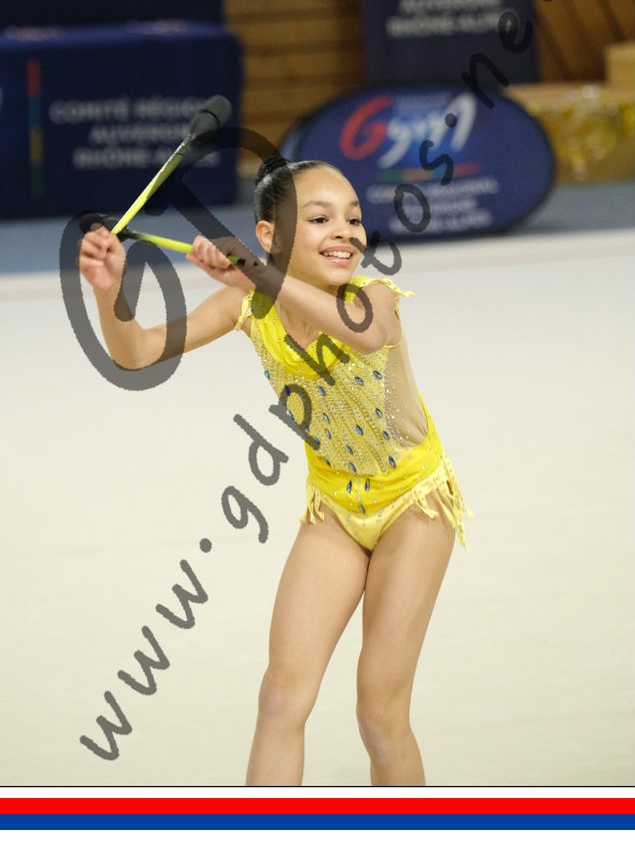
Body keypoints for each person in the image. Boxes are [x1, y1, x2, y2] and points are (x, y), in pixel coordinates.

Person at [78, 155, 473, 786]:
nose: (344, 232)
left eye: (353, 219)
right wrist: (109, 292)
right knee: (280, 699)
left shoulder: (372, 297)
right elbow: (139, 352)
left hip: (414, 507)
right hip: (334, 509)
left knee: (379, 716)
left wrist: (260, 273)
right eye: (319, 219)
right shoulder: (248, 303)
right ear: (270, 235)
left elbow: (364, 335)